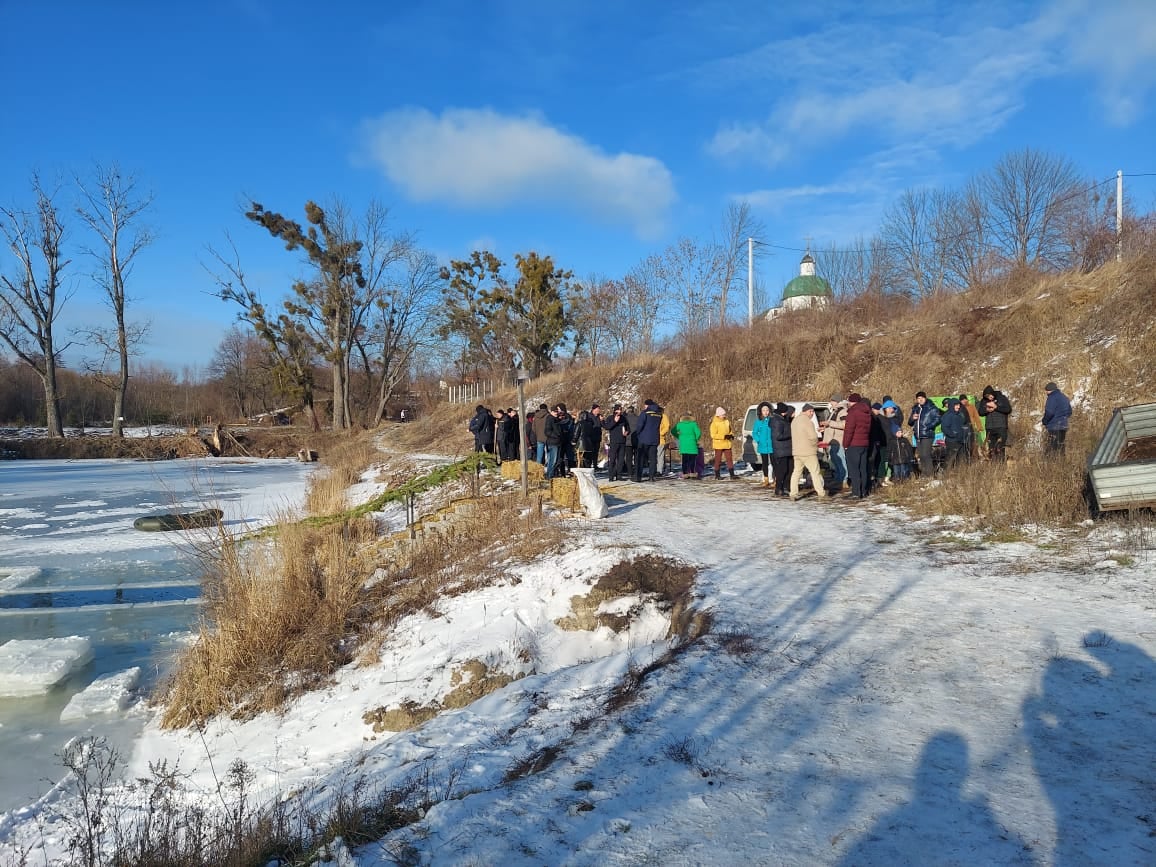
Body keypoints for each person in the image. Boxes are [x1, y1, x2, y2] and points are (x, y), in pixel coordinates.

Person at [789, 405, 828, 501]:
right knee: (815, 473)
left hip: (796, 452)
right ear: (807, 411)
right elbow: (813, 437)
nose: (812, 414)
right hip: (808, 452)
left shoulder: (794, 421)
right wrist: (815, 444)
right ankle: (821, 493)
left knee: (796, 473)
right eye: (811, 412)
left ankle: (793, 493)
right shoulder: (808, 422)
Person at [842, 393, 872, 498]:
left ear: (852, 402)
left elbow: (849, 430)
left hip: (853, 444)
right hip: (864, 444)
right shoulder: (867, 412)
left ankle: (856, 492)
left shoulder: (853, 412)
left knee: (854, 469)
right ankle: (863, 491)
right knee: (863, 468)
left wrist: (845, 444)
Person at [909, 391, 941, 476]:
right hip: (918, 435)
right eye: (918, 398)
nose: (920, 400)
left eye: (922, 398)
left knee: (926, 454)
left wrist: (929, 426)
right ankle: (924, 473)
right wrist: (912, 418)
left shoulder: (931, 408)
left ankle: (930, 474)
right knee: (921, 456)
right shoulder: (915, 408)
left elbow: (938, 419)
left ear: (925, 398)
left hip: (927, 434)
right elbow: (910, 422)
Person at [977, 385, 1012, 461]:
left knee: (999, 449)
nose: (989, 397)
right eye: (987, 396)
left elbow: (1008, 410)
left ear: (993, 393)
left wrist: (996, 407)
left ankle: (1001, 466)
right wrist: (987, 410)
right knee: (991, 449)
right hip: (989, 428)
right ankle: (993, 467)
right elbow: (980, 412)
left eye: (990, 395)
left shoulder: (1002, 398)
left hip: (1001, 427)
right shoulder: (984, 401)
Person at [633, 399, 664, 482]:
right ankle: (651, 476)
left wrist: (638, 434)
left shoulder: (645, 413)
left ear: (647, 405)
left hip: (644, 438)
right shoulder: (659, 414)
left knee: (640, 458)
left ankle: (638, 477)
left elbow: (640, 425)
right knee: (653, 458)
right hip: (655, 438)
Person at [823, 395, 848, 490]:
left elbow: (844, 424)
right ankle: (838, 478)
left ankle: (844, 480)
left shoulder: (842, 411)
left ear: (837, 401)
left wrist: (829, 423)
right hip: (833, 441)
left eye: (832, 401)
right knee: (835, 461)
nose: (831, 403)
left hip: (838, 440)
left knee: (841, 460)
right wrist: (824, 428)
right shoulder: (834, 411)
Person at [770, 403, 794, 497]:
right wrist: (791, 434)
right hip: (781, 449)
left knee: (786, 469)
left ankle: (782, 488)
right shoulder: (777, 421)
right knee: (782, 470)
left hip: (784, 449)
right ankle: (779, 488)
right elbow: (778, 436)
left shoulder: (780, 419)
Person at [1041, 381, 1072, 454]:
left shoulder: (1052, 398)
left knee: (1052, 448)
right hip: (1063, 426)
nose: (1046, 392)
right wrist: (1063, 418)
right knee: (1061, 447)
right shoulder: (1064, 397)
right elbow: (1069, 411)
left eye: (1047, 391)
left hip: (1054, 426)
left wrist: (1044, 421)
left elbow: (1049, 412)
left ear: (1050, 390)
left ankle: (1052, 463)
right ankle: (1061, 463)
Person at [940, 399, 971, 468]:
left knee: (961, 460)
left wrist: (966, 432)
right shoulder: (947, 415)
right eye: (956, 405)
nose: (958, 407)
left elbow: (964, 425)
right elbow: (944, 428)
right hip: (952, 441)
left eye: (959, 405)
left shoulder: (960, 414)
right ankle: (946, 474)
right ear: (952, 406)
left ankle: (959, 475)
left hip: (961, 440)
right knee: (950, 459)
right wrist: (953, 434)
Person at [602, 404, 631, 481]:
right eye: (618, 410)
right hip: (614, 441)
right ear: (615, 410)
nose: (620, 411)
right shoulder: (610, 418)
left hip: (622, 441)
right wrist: (615, 421)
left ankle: (619, 475)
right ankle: (611, 476)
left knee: (621, 459)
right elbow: (607, 427)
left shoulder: (624, 418)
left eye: (621, 410)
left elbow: (628, 428)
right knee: (612, 459)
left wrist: (627, 432)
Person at [671, 412, 702, 479]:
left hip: (683, 443)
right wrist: (696, 439)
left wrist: (679, 436)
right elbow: (699, 433)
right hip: (692, 443)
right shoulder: (693, 424)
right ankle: (692, 472)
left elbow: (673, 431)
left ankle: (685, 473)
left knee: (684, 459)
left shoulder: (680, 424)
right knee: (692, 459)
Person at [709, 407, 736, 480]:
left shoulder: (727, 421)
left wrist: (731, 435)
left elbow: (730, 430)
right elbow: (713, 435)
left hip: (727, 443)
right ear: (718, 415)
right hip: (718, 444)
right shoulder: (714, 424)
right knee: (718, 460)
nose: (724, 416)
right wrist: (723, 436)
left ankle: (732, 475)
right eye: (722, 415)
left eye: (724, 414)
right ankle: (717, 475)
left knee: (729, 459)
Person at [752, 401, 774, 487]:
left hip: (772, 445)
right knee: (764, 463)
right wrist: (759, 440)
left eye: (767, 410)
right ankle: (766, 479)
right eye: (764, 410)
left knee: (774, 463)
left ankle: (775, 480)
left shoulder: (772, 420)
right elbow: (754, 432)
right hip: (762, 445)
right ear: (760, 411)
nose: (765, 412)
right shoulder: (758, 422)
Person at [543, 404, 564, 478]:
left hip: (557, 442)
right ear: (551, 412)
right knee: (553, 461)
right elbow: (547, 431)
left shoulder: (556, 419)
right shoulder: (550, 419)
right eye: (555, 412)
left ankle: (553, 474)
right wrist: (556, 435)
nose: (556, 413)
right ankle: (549, 476)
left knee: (556, 460)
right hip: (552, 443)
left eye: (557, 412)